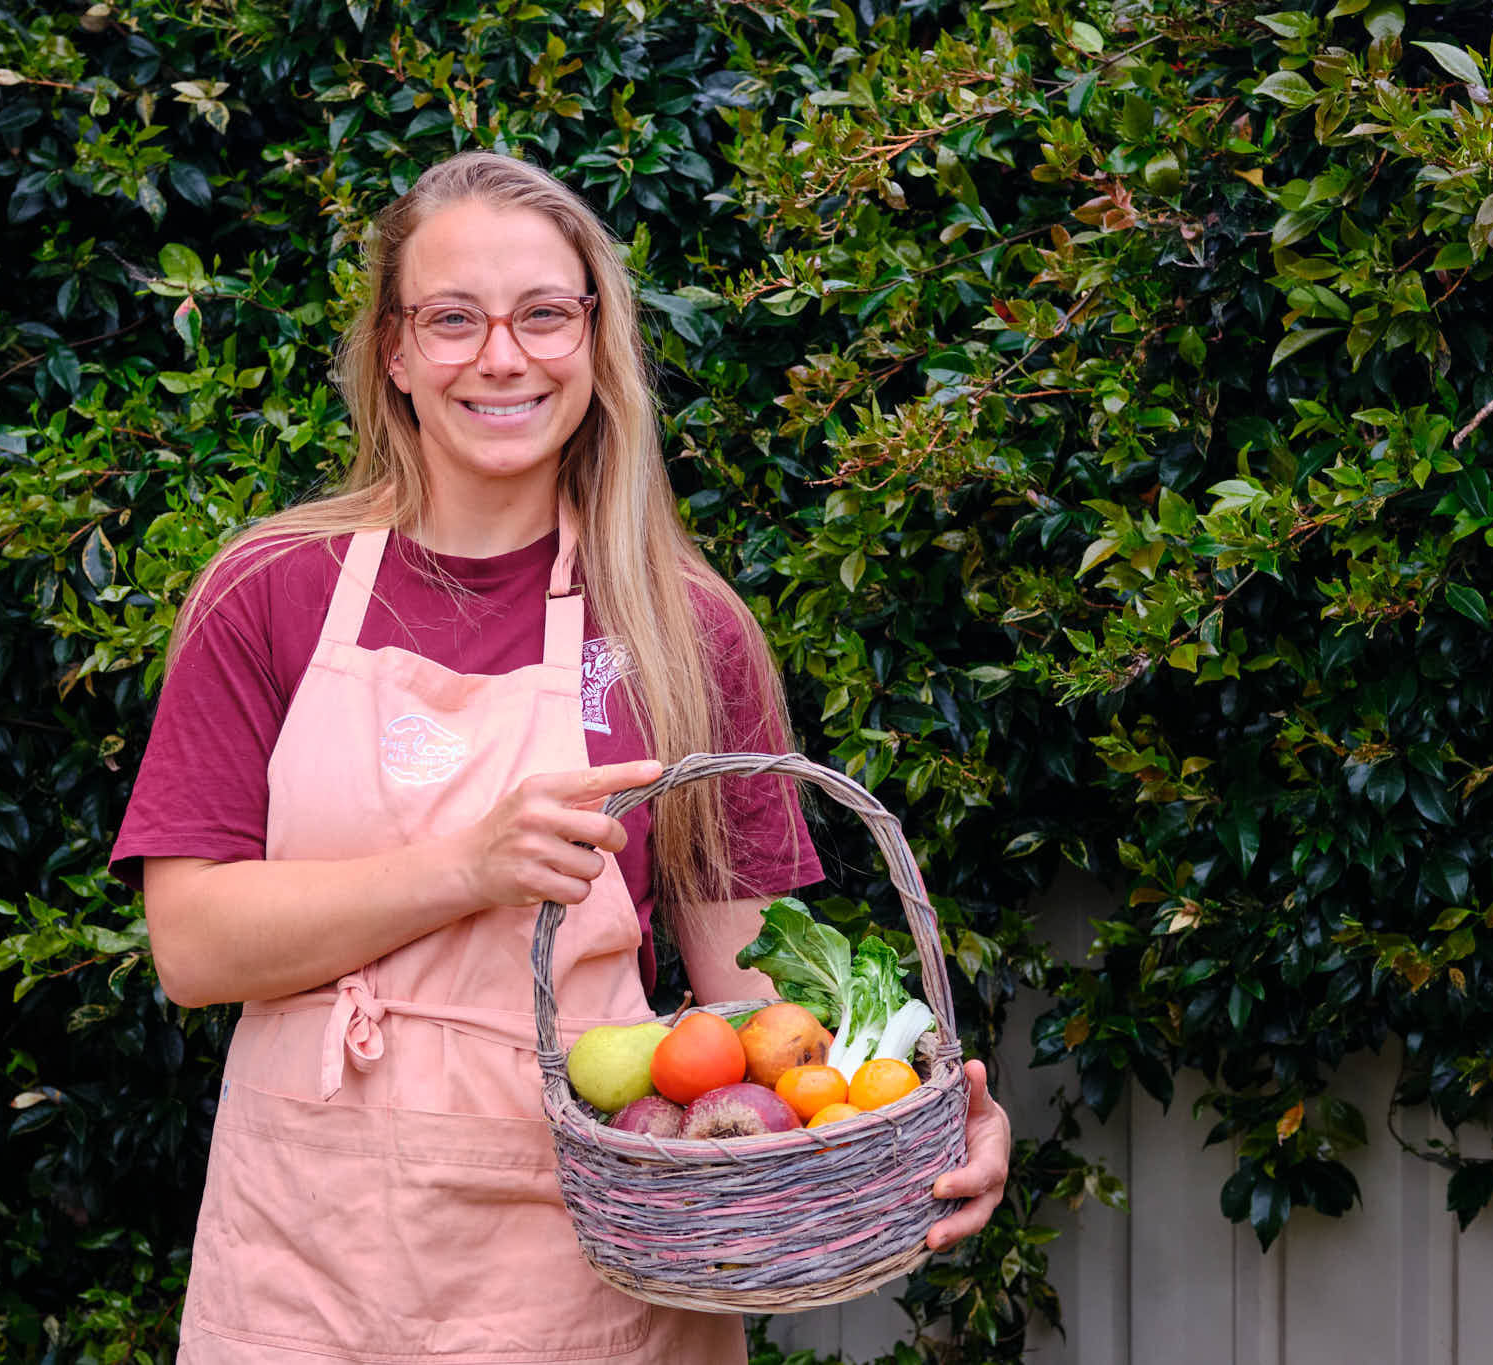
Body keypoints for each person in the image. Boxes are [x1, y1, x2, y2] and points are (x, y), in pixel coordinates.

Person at [111, 150, 1011, 1364]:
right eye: (451, 319)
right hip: (308, 1257)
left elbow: (753, 1001)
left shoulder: (683, 629)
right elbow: (193, 946)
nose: (501, 356)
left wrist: (916, 1109)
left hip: (592, 1270)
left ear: (593, 340)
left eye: (543, 314)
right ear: (392, 351)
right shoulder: (269, 591)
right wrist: (466, 868)